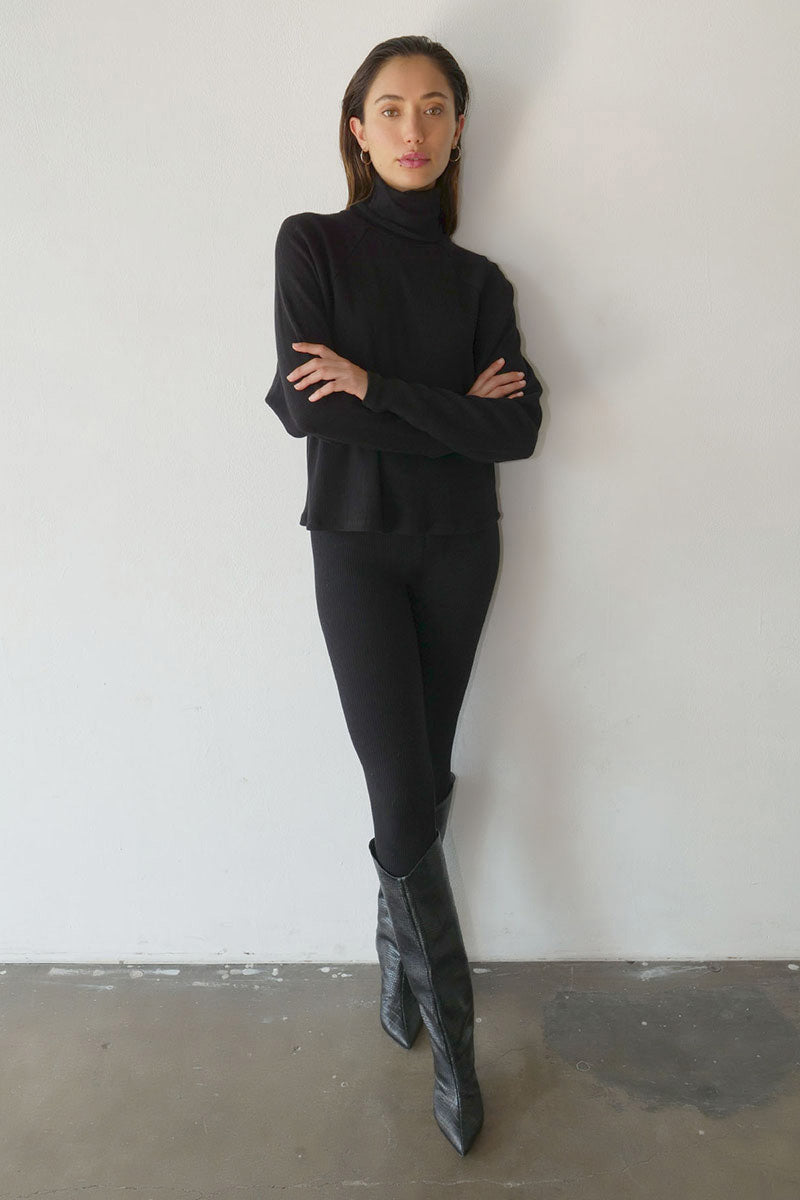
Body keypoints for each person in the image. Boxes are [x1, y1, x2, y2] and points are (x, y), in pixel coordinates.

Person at [263, 35, 543, 1157]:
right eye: (391, 108)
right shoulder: (312, 243)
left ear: (458, 129)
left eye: (433, 108)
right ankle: (456, 1044)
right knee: (396, 776)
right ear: (358, 128)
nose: (412, 128)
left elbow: (516, 430)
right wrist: (446, 409)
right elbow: (303, 407)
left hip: (460, 550)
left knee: (419, 774)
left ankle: (397, 957)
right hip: (356, 547)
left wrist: (374, 384)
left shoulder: (481, 285)